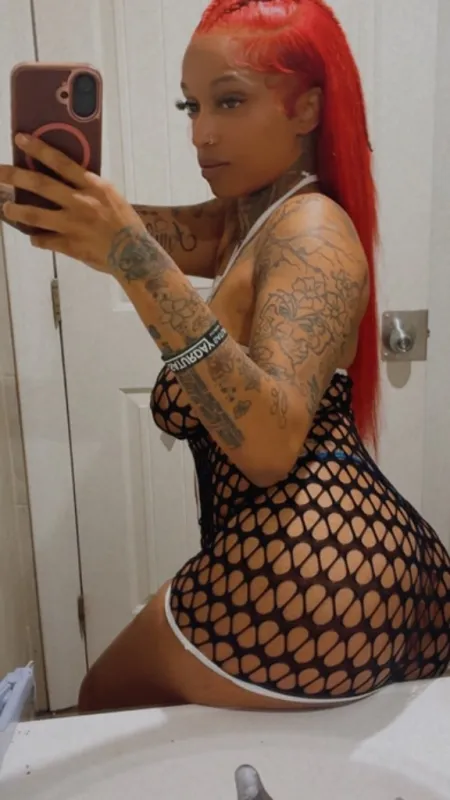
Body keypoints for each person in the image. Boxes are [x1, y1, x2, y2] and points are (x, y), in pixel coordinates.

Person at [1, 0, 449, 713]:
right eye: (192, 105)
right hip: (347, 560)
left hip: (310, 570)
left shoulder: (312, 231)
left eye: (230, 101)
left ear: (306, 110)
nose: (201, 133)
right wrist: (47, 198)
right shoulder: (249, 217)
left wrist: (128, 253)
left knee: (101, 701)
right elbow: (122, 230)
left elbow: (269, 446)